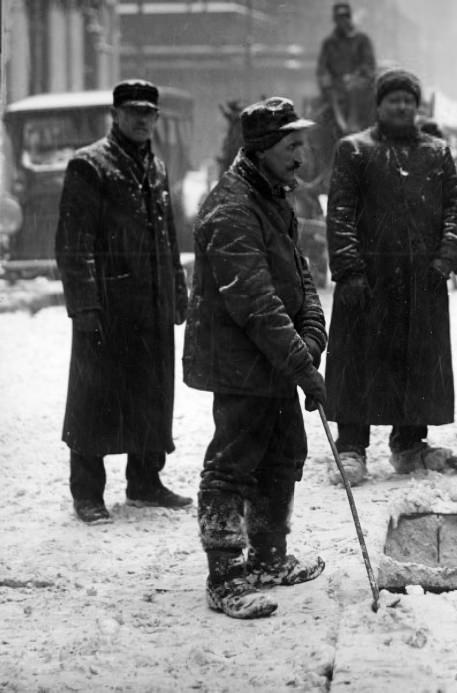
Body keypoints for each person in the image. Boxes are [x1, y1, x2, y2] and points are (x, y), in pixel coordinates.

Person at [183, 97, 327, 619]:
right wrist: (302, 364)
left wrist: (312, 334)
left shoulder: (273, 197)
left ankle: (269, 557)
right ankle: (224, 577)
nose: (302, 155)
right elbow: (257, 303)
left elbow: (302, 277)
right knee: (233, 466)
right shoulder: (233, 208)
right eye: (292, 146)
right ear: (263, 150)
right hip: (239, 361)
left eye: (301, 144)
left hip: (274, 357)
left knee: (284, 452)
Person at [55, 79, 191, 525]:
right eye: (132, 111)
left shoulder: (156, 166)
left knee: (152, 393)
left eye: (148, 112)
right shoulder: (89, 165)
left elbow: (168, 237)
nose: (141, 118)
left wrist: (176, 290)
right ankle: (88, 492)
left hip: (150, 304)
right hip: (107, 306)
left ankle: (146, 481)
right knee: (95, 397)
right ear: (115, 115)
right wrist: (86, 305)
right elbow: (74, 243)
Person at [324, 68, 457, 486]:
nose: (402, 106)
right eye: (394, 100)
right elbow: (341, 213)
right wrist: (349, 269)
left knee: (417, 361)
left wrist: (445, 258)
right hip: (369, 279)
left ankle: (409, 445)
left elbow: (455, 210)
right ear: (380, 105)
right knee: (359, 362)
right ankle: (351, 448)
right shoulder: (354, 149)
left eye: (409, 99)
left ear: (417, 105)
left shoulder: (437, 152)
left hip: (420, 280)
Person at [316, 2, 376, 133]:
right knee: (326, 107)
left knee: (354, 89)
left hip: (359, 85)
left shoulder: (362, 39)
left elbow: (369, 65)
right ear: (335, 20)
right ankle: (340, 126)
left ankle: (353, 125)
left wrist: (355, 76)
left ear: (349, 17)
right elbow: (322, 68)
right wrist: (326, 82)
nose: (343, 21)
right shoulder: (329, 43)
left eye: (345, 17)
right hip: (335, 87)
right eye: (339, 18)